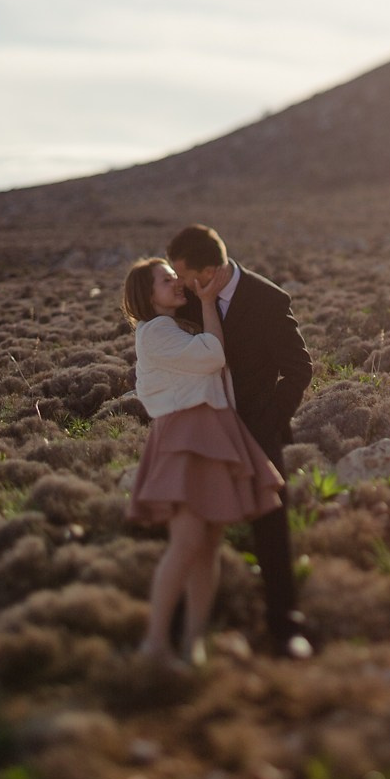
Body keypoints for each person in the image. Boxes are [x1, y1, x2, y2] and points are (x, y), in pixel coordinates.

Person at [120, 257, 284, 663]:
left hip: (208, 430)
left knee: (208, 545)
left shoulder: (172, 327)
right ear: (147, 293)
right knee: (188, 541)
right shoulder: (156, 331)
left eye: (175, 277)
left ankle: (192, 646)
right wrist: (208, 302)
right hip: (187, 436)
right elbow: (213, 356)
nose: (176, 283)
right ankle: (155, 644)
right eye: (166, 280)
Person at [165, 224, 314, 657]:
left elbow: (299, 368)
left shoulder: (268, 299)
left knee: (271, 523)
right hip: (200, 427)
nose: (181, 284)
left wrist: (267, 422)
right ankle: (180, 628)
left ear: (210, 271)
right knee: (189, 525)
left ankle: (286, 625)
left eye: (186, 275)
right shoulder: (185, 298)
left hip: (255, 429)